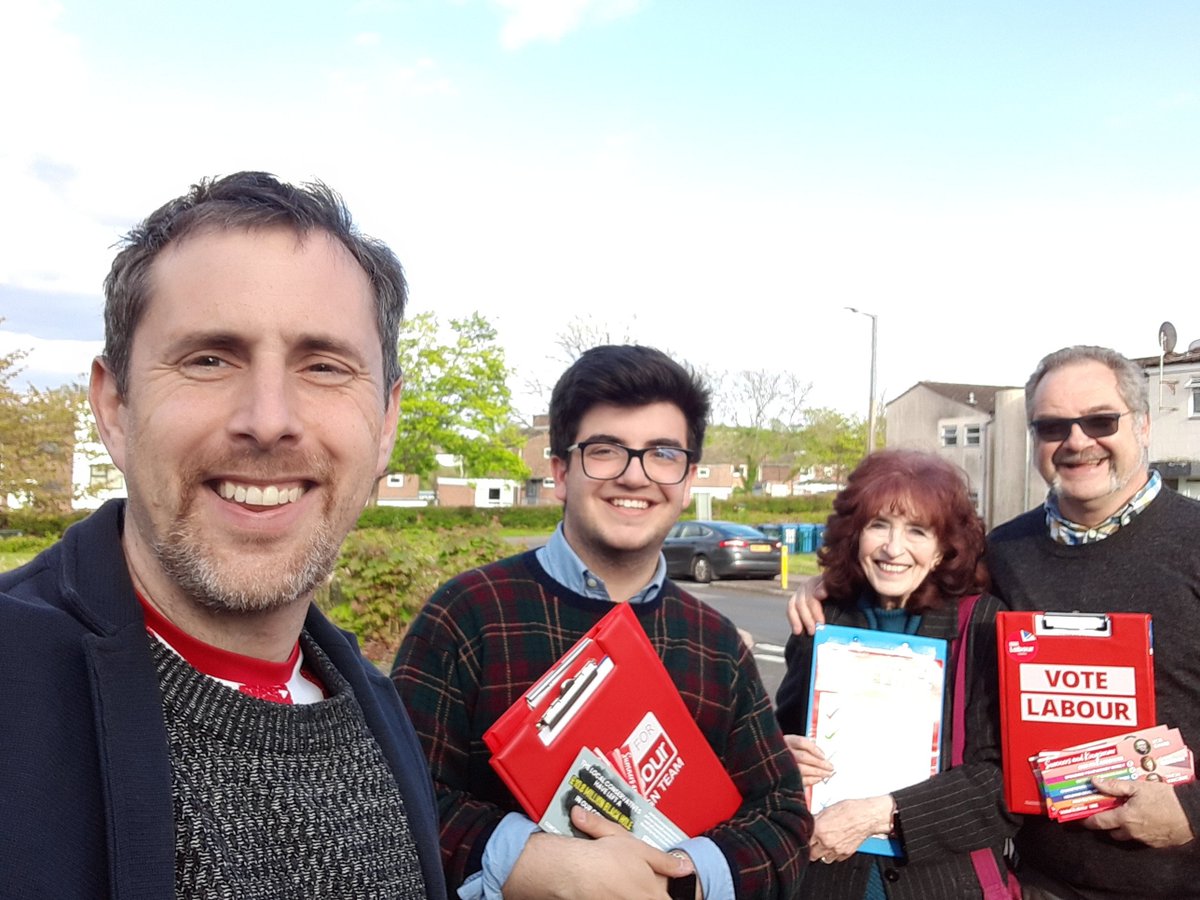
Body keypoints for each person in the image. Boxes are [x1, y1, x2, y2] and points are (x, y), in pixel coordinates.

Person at [0, 172, 445, 899]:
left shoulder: (375, 707)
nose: (268, 419)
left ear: (387, 421)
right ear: (114, 406)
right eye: (209, 359)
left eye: (325, 366)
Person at [392, 344, 812, 900]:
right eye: (607, 450)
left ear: (687, 481)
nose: (635, 477)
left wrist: (675, 877)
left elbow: (781, 818)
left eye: (663, 454)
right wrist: (533, 863)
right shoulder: (467, 616)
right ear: (561, 472)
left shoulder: (717, 645)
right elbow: (393, 797)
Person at [790, 346, 1200, 899]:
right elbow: (913, 580)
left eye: (1100, 420)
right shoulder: (1006, 553)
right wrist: (829, 586)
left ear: (1144, 424)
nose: (1077, 441)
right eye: (1053, 426)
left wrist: (1191, 814)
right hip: (1036, 880)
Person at [775, 449, 1018, 898]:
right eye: (878, 525)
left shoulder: (982, 625)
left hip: (942, 882)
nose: (893, 548)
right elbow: (774, 745)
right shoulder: (821, 622)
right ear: (855, 535)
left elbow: (1003, 783)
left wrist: (883, 813)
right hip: (826, 879)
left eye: (917, 531)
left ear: (945, 547)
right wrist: (781, 757)